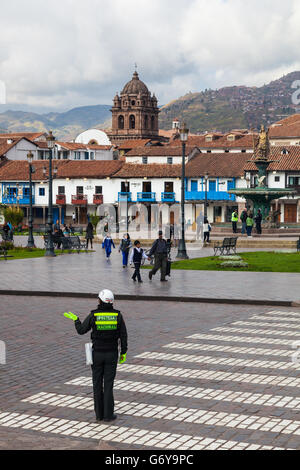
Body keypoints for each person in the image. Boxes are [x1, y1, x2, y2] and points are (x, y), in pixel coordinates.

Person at [64, 289, 128, 423]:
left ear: (100, 300)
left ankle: (99, 414)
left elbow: (81, 331)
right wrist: (123, 352)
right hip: (111, 354)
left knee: (97, 384)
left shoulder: (94, 315)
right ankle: (108, 415)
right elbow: (123, 336)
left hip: (97, 354)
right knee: (109, 384)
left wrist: (76, 320)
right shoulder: (118, 316)